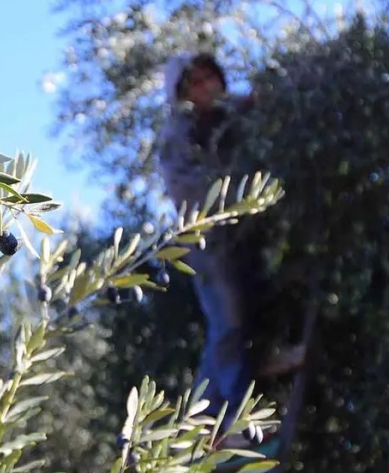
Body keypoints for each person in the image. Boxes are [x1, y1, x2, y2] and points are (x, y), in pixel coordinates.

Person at [156, 50, 304, 449]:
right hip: (207, 242)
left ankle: (206, 424)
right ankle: (238, 421)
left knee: (247, 317)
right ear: (182, 94)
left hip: (243, 236)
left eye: (211, 78)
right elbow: (189, 191)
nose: (208, 87)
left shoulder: (235, 114)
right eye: (196, 83)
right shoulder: (177, 138)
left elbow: (269, 109)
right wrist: (235, 189)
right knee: (229, 323)